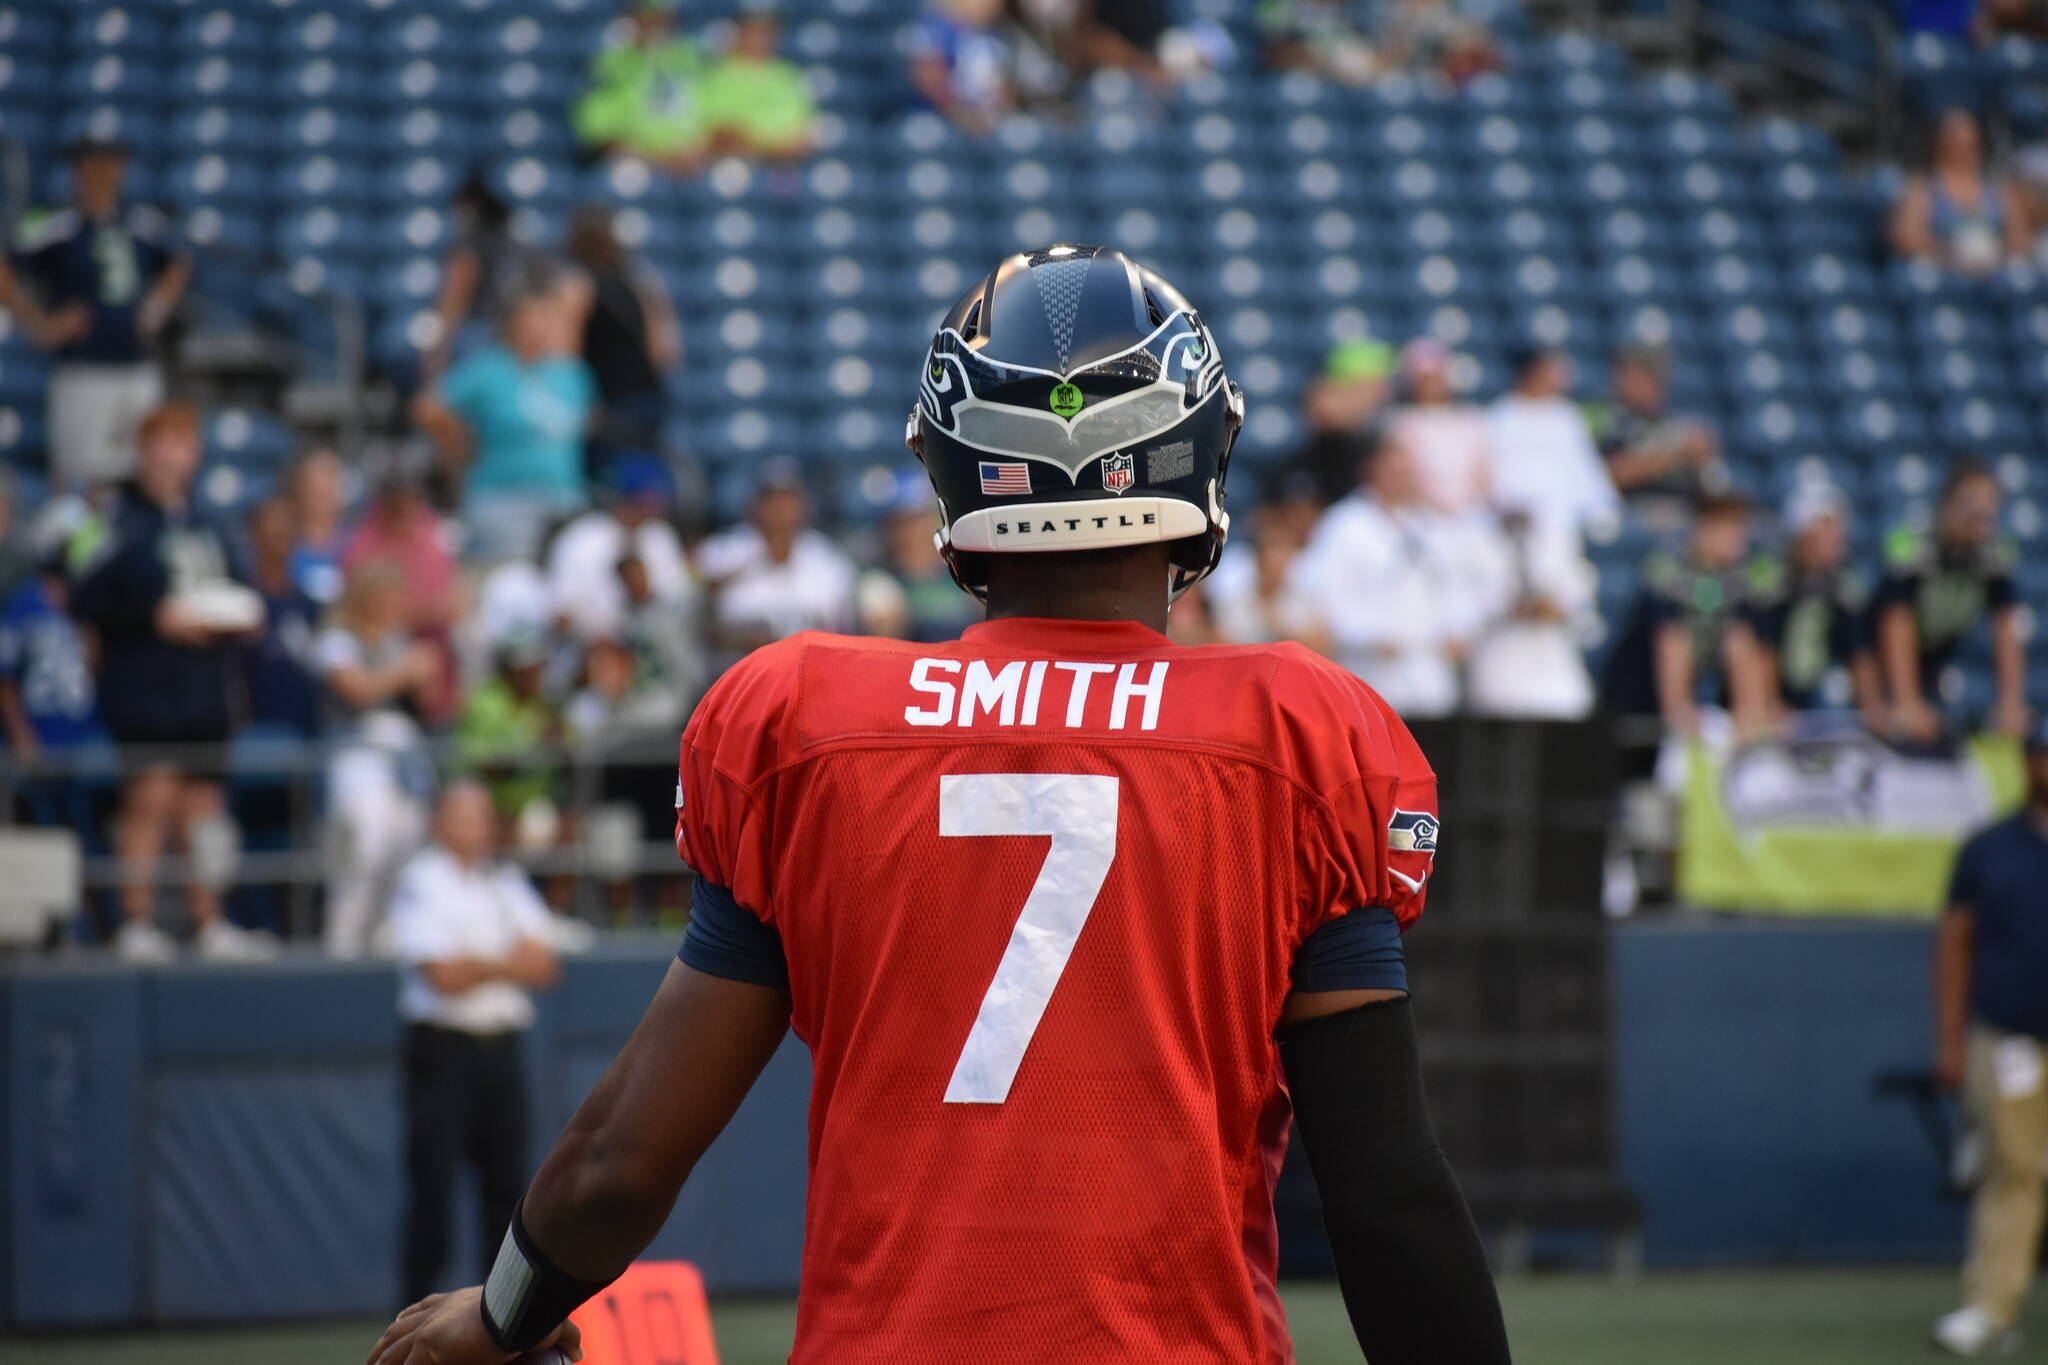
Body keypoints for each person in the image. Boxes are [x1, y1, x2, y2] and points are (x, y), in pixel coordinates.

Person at [368, 246, 1509, 1365]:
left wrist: (503, 1313)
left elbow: (623, 1155)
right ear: (1198, 450)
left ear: (954, 469)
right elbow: (1386, 1200)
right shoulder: (1294, 737)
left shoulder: (809, 724)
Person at [67, 401, 274, 962]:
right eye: (162, 443)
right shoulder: (112, 518)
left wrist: (239, 616)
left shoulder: (207, 522)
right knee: (150, 800)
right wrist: (149, 617)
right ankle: (135, 922)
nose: (171, 457)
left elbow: (237, 586)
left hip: (202, 689)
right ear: (143, 450)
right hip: (144, 688)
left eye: (182, 444)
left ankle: (211, 921)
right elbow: (79, 591)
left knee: (203, 807)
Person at [390, 780, 562, 1309]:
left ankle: (500, 1318)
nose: (477, 827)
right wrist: (505, 961)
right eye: (465, 816)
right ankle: (416, 1315)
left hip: (500, 1050)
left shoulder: (505, 881)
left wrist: (480, 962)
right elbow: (442, 975)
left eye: (483, 816)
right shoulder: (421, 880)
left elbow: (545, 964)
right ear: (440, 822)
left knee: (509, 1192)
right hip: (443, 1050)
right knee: (433, 1188)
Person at [1930, 724, 2048, 1357]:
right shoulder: (1989, 848)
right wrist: (1949, 1038)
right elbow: (1953, 944)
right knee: (2012, 1170)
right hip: (2010, 1034)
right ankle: (1991, 1306)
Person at [0, 136, 191, 493]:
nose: (102, 173)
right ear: (78, 170)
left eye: (110, 163)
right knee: (82, 478)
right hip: (82, 369)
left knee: (149, 473)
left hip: (136, 366)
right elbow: (5, 271)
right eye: (93, 163)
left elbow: (178, 262)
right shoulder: (57, 224)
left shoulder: (140, 221)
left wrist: (155, 307)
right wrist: (41, 324)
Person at [1290, 432, 1487, 717]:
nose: (1401, 479)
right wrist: (1369, 635)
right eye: (1393, 471)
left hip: (1430, 675)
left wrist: (1458, 628)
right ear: (1372, 471)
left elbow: (1458, 588)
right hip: (1369, 670)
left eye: (1406, 471)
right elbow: (1322, 594)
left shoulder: (1434, 526)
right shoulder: (1344, 525)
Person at [414, 264, 597, 564]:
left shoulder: (571, 374)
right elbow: (428, 407)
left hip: (563, 498)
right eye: (531, 318)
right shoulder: (489, 370)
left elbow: (584, 422)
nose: (538, 327)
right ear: (512, 323)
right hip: (502, 499)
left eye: (545, 318)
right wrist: (457, 444)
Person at [315, 562, 439, 958]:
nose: (394, 608)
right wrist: (405, 670)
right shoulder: (337, 641)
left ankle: (387, 934)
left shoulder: (398, 641)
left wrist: (425, 679)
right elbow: (357, 690)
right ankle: (344, 940)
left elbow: (428, 704)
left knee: (406, 842)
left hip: (403, 754)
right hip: (357, 754)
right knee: (364, 844)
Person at [1875, 459, 2026, 743]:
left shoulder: (1995, 552)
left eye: (1988, 509)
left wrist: (2011, 702)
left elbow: (2006, 626)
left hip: (1939, 658)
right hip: (1882, 661)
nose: (1978, 518)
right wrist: (1907, 701)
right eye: (1970, 505)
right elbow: (1896, 622)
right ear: (1947, 503)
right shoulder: (1912, 542)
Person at [1599, 493, 1755, 740]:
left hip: (1701, 693)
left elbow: (1741, 644)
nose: (1736, 536)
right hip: (1641, 696)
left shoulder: (1739, 579)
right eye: (1726, 526)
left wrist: (1749, 711)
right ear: (1703, 528)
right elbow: (1671, 642)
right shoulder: (1667, 570)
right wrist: (1679, 711)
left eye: (1738, 527)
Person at [1728, 484, 1879, 736]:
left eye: (1834, 530)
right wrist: (1770, 701)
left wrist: (1872, 708)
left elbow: (1859, 650)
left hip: (1819, 690)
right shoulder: (1774, 581)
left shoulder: (1843, 584)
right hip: (1780, 693)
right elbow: (1763, 644)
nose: (1831, 539)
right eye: (1822, 530)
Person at [694, 458, 854, 664]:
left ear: (803, 505)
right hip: (739, 669)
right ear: (754, 505)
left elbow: (841, 630)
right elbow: (701, 627)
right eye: (770, 500)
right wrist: (741, 641)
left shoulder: (828, 559)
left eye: (787, 500)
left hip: (808, 669)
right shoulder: (721, 553)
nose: (779, 510)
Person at [564, 207, 681, 475]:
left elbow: (567, 351)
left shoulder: (577, 287)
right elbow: (664, 351)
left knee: (611, 481)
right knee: (641, 479)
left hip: (607, 403)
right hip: (645, 394)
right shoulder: (640, 282)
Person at [1464, 507, 1599, 721]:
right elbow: (1468, 614)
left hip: (1552, 666)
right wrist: (1513, 608)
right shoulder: (1476, 544)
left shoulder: (1558, 544)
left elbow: (1580, 612)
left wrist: (1551, 607)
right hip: (1501, 666)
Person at [545, 454, 691, 645]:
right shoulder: (579, 539)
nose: (651, 510)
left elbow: (676, 597)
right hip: (590, 644)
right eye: (643, 502)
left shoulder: (661, 536)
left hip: (654, 639)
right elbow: (561, 612)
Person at [1487, 344, 1620, 546]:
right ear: (1533, 371)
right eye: (1552, 368)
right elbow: (1493, 478)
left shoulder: (1567, 416)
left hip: (1562, 522)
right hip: (1511, 523)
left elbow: (1585, 469)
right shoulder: (1499, 417)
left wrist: (1599, 507)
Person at [424, 174, 540, 382]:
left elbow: (454, 297)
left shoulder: (470, 244)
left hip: (479, 336)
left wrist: (438, 351)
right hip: (515, 337)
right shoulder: (518, 242)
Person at [1590, 344, 1726, 516]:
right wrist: (1674, 454)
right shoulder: (1605, 419)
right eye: (1636, 376)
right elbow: (1602, 477)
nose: (1642, 385)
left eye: (1652, 376)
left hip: (1682, 512)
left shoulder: (1675, 424)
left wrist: (1703, 461)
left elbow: (1714, 489)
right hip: (1632, 512)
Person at [572, 0, 709, 170]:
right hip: (636, 165)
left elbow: (722, 118)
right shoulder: (610, 64)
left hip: (693, 166)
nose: (653, 28)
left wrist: (702, 151)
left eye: (660, 20)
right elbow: (595, 129)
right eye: (645, 20)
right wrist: (654, 159)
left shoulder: (695, 58)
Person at [1892, 109, 2030, 278]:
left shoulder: (1998, 187)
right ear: (1940, 145)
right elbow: (1906, 234)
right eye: (1955, 145)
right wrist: (1950, 253)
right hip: (1943, 270)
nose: (1963, 151)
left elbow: (2020, 236)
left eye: (1969, 147)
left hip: (1994, 269)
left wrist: (1994, 254)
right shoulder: (1923, 186)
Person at [853, 477, 979, 642]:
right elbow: (883, 632)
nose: (913, 531)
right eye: (903, 522)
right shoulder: (879, 579)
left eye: (919, 519)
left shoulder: (961, 568)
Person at [240, 497, 323, 740]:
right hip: (254, 735)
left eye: (287, 526)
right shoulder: (238, 604)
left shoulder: (310, 605)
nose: (280, 532)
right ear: (253, 536)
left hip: (308, 733)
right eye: (271, 527)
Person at [1386, 338, 1493, 519]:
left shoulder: (1471, 418)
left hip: (1471, 517)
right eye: (1424, 379)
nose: (1431, 385)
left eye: (1436, 377)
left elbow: (1484, 475)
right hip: (1419, 516)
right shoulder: (1399, 421)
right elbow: (1402, 476)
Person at [692, 11, 816, 161]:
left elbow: (803, 135)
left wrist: (766, 145)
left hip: (784, 163)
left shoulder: (788, 74)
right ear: (738, 34)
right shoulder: (716, 76)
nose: (762, 39)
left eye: (768, 31)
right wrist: (773, 147)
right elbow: (720, 135)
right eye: (755, 31)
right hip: (736, 163)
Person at [907, 0, 1013, 136]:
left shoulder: (993, 35)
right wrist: (965, 117)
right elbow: (929, 80)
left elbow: (1003, 85)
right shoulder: (937, 28)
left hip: (986, 121)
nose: (992, 5)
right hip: (940, 122)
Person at [284, 448, 349, 607]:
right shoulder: (280, 541)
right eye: (313, 490)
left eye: (326, 490)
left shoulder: (356, 541)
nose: (320, 500)